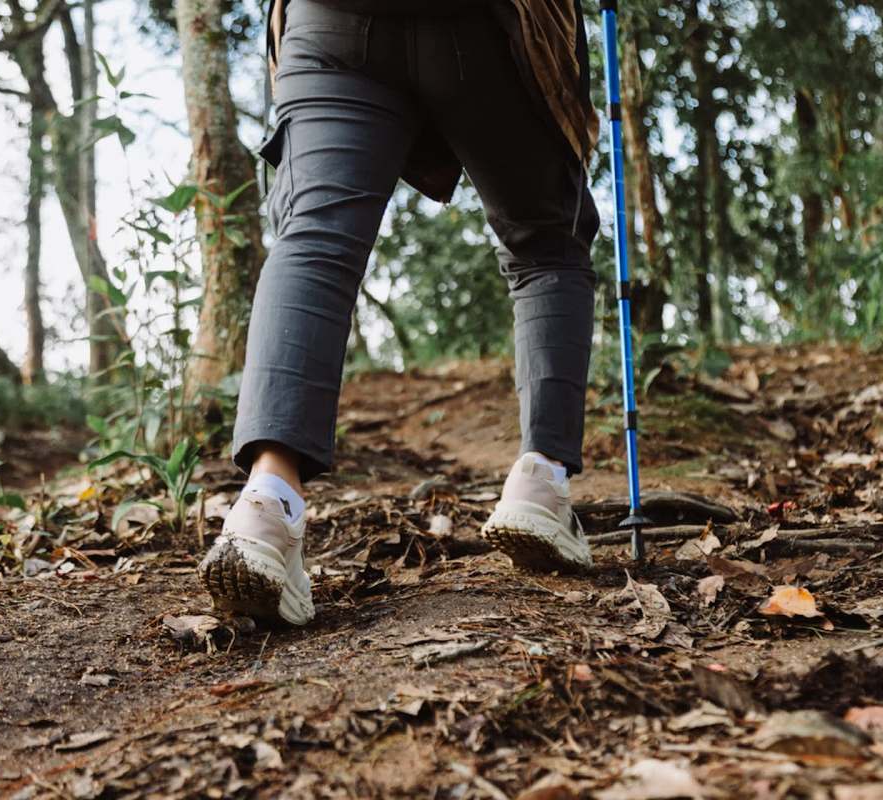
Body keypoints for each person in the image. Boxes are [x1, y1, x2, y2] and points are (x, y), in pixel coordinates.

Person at [198, 0, 602, 625]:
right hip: (492, 27)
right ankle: (540, 483)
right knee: (546, 245)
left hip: (328, 23)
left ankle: (266, 500)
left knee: (314, 239)